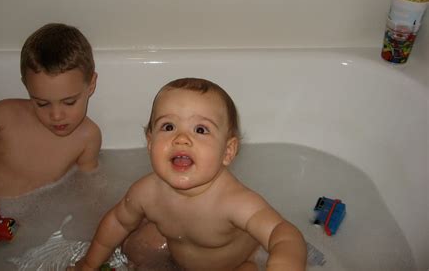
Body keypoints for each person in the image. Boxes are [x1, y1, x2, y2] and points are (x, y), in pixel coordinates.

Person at [69, 78, 306, 271]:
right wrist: (89, 264)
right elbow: (118, 222)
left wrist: (284, 263)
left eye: (200, 129)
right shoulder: (146, 193)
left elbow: (283, 233)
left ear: (228, 151)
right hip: (177, 251)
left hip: (233, 265)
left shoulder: (234, 201)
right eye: (168, 127)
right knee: (135, 247)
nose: (181, 138)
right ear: (150, 143)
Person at [0, 23, 101, 232]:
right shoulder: (6, 115)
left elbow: (88, 190)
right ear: (26, 85)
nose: (56, 115)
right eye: (42, 103)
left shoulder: (89, 138)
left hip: (8, 223)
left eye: (69, 102)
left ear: (92, 84)